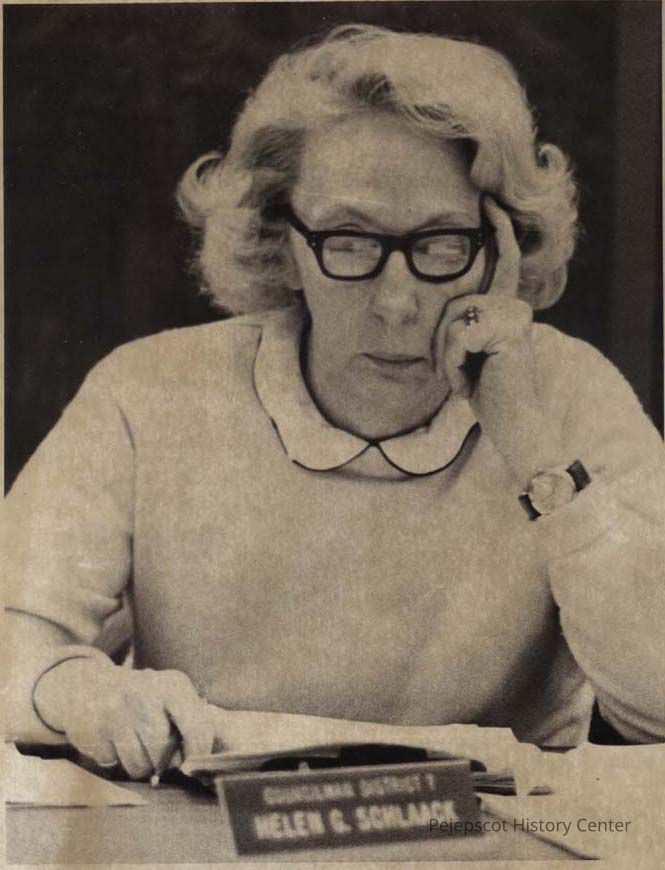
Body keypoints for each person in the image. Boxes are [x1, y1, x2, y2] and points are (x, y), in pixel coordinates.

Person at [6, 24, 664, 781]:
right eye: (349, 242)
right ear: (280, 240)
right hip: (214, 833)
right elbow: (12, 635)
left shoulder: (568, 394)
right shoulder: (148, 392)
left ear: (501, 248)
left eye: (441, 244)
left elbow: (657, 707)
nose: (397, 304)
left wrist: (537, 459)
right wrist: (79, 689)